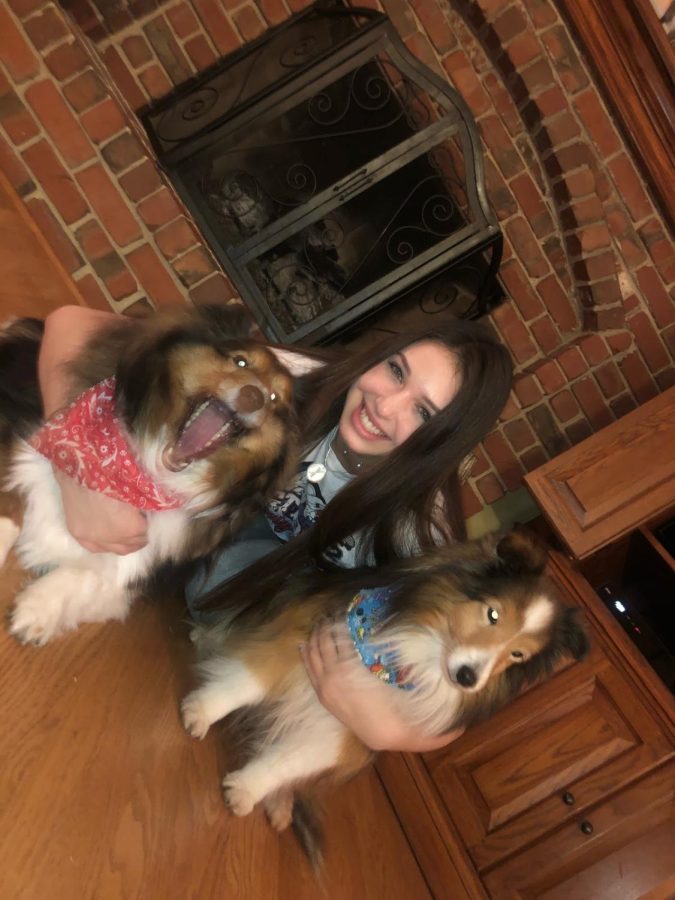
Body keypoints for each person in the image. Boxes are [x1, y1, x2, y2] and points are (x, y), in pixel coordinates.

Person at [38, 304, 514, 753]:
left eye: (423, 413)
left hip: (194, 657)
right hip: (129, 563)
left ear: (440, 442)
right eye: (395, 370)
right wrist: (76, 465)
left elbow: (456, 713)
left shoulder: (420, 534)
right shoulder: (284, 376)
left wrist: (388, 731)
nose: (385, 407)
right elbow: (70, 324)